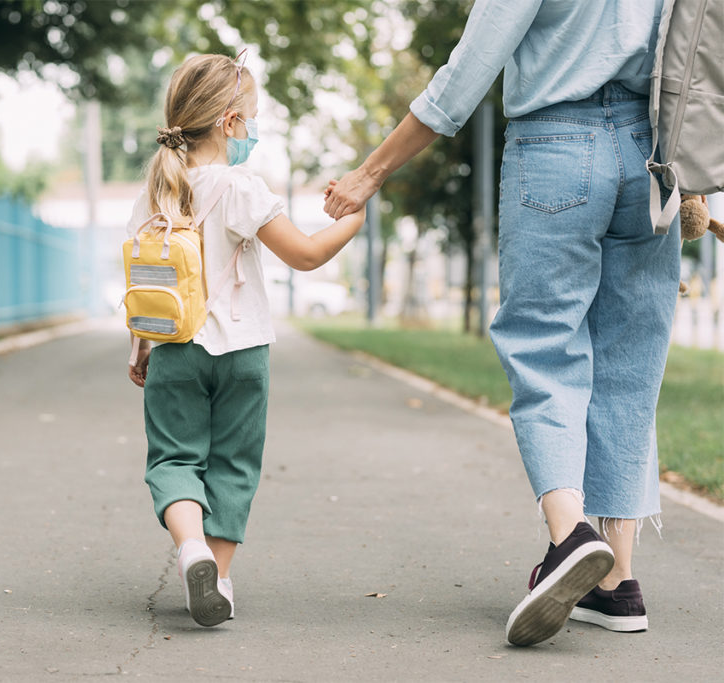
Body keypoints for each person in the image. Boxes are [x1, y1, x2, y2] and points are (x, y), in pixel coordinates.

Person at [324, 0, 680, 646]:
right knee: (629, 365)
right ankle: (617, 584)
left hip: (555, 148)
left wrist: (370, 171)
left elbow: (468, 71)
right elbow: (694, 55)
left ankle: (570, 534)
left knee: (544, 346)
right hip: (653, 157)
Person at [127, 51, 365, 627]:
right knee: (233, 464)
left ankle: (190, 552)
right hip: (243, 353)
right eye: (252, 117)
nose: (255, 130)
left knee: (175, 459)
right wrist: (354, 216)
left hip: (174, 349)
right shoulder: (241, 187)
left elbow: (143, 277)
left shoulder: (158, 189)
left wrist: (140, 347)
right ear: (230, 122)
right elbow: (306, 255)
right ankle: (221, 578)